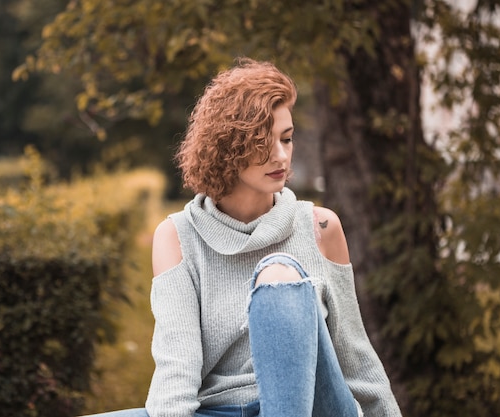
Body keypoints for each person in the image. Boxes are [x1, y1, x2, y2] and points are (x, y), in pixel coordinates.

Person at [89, 58, 402, 417]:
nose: (281, 156)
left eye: (286, 138)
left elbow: (357, 362)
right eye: (262, 142)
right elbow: (176, 374)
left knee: (279, 276)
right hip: (220, 410)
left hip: (316, 407)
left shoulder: (320, 227)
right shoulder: (178, 236)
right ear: (227, 146)